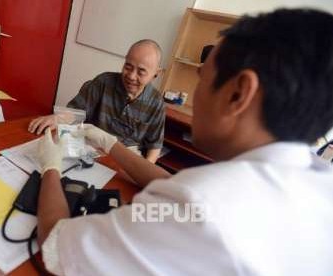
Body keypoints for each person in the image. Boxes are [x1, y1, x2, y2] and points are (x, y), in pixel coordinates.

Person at [35, 9, 333, 275]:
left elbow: (56, 246)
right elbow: (174, 187)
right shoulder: (320, 187)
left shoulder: (195, 204)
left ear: (238, 94)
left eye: (201, 78)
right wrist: (108, 141)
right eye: (129, 66)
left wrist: (50, 167)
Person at [29, 39, 165, 163]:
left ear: (156, 73)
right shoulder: (103, 82)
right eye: (128, 67)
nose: (131, 76)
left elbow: (155, 146)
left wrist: (145, 171)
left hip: (126, 155)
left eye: (141, 72)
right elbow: (76, 111)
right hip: (92, 146)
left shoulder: (156, 102)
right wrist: (57, 118)